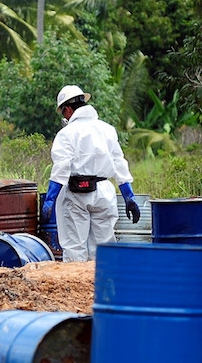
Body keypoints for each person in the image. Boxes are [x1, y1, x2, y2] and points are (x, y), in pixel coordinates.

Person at [41, 85, 140, 262]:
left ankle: (77, 288)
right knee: (104, 249)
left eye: (63, 113)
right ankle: (103, 288)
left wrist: (50, 199)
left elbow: (61, 169)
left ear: (68, 110)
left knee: (74, 248)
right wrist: (128, 196)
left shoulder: (67, 134)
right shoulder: (107, 129)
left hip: (75, 194)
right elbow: (119, 162)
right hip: (104, 192)